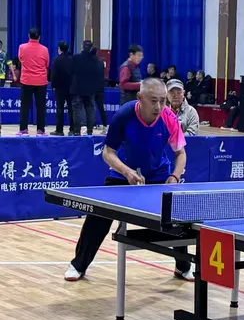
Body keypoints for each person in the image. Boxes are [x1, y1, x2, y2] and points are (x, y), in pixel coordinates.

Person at [64, 78, 192, 282]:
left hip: (159, 175)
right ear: (140, 97)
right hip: (123, 173)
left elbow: (181, 153)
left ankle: (183, 266)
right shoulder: (124, 115)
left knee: (174, 216)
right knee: (98, 214)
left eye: (162, 101)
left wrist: (174, 176)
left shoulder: (168, 118)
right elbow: (108, 152)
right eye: (153, 101)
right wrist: (126, 172)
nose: (158, 107)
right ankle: (78, 264)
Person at [17, 27, 50, 136]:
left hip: (26, 80)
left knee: (25, 106)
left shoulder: (22, 47)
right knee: (41, 107)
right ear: (39, 37)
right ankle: (40, 130)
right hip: (41, 81)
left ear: (28, 36)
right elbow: (47, 64)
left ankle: (23, 130)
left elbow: (21, 59)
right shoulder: (45, 49)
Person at [70, 40, 101, 135]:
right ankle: (90, 131)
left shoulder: (76, 58)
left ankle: (76, 131)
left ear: (82, 47)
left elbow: (71, 71)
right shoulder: (95, 60)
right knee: (90, 110)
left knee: (77, 110)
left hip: (77, 88)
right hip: (90, 89)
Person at [50, 41, 74, 136]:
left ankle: (59, 130)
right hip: (71, 87)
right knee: (71, 109)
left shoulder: (57, 60)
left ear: (59, 49)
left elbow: (54, 75)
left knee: (60, 109)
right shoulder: (72, 59)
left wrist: (53, 85)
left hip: (60, 88)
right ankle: (72, 129)